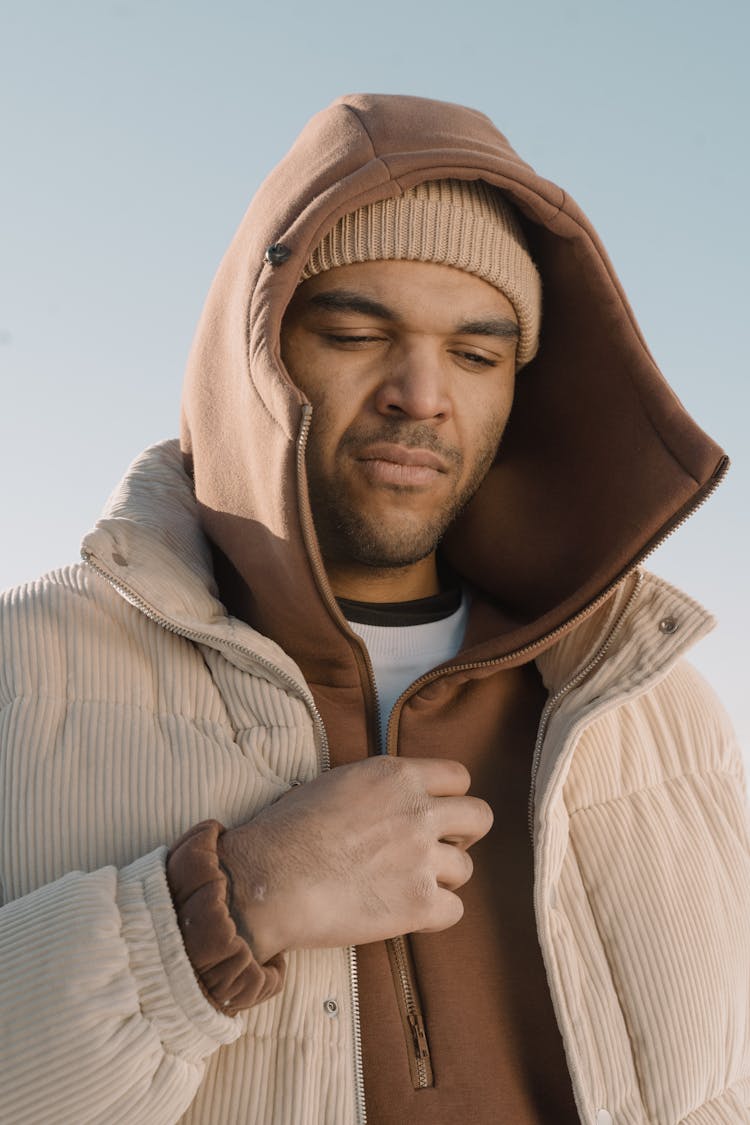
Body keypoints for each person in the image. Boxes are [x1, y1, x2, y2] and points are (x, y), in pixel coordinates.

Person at [0, 92, 748, 1125]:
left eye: (479, 355)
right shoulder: (22, 670)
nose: (421, 391)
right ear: (254, 357)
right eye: (357, 332)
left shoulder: (658, 712)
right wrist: (223, 909)